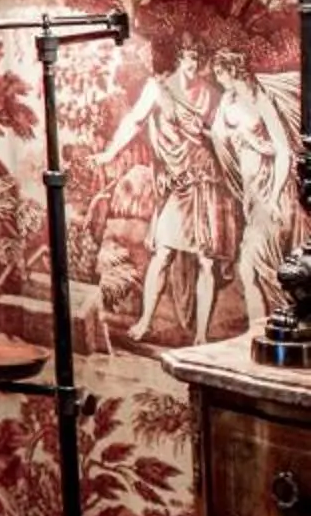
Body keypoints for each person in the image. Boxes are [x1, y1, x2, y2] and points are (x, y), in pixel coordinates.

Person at [100, 41, 240, 341]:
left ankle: (201, 335)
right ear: (178, 58)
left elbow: (226, 138)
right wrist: (110, 154)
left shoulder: (212, 94)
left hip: (206, 182)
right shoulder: (159, 88)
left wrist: (214, 135)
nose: (194, 63)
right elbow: (135, 121)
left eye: (198, 57)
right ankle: (145, 321)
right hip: (179, 184)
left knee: (206, 261)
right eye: (189, 57)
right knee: (163, 253)